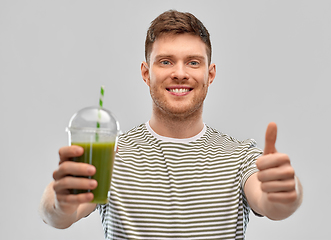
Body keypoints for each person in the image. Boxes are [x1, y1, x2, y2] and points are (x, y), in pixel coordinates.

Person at [39, 10, 303, 240]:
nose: (180, 72)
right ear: (146, 73)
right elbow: (59, 214)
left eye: (193, 62)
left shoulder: (240, 156)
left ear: (209, 75)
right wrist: (60, 201)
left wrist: (287, 193)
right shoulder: (111, 154)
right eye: (165, 61)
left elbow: (274, 204)